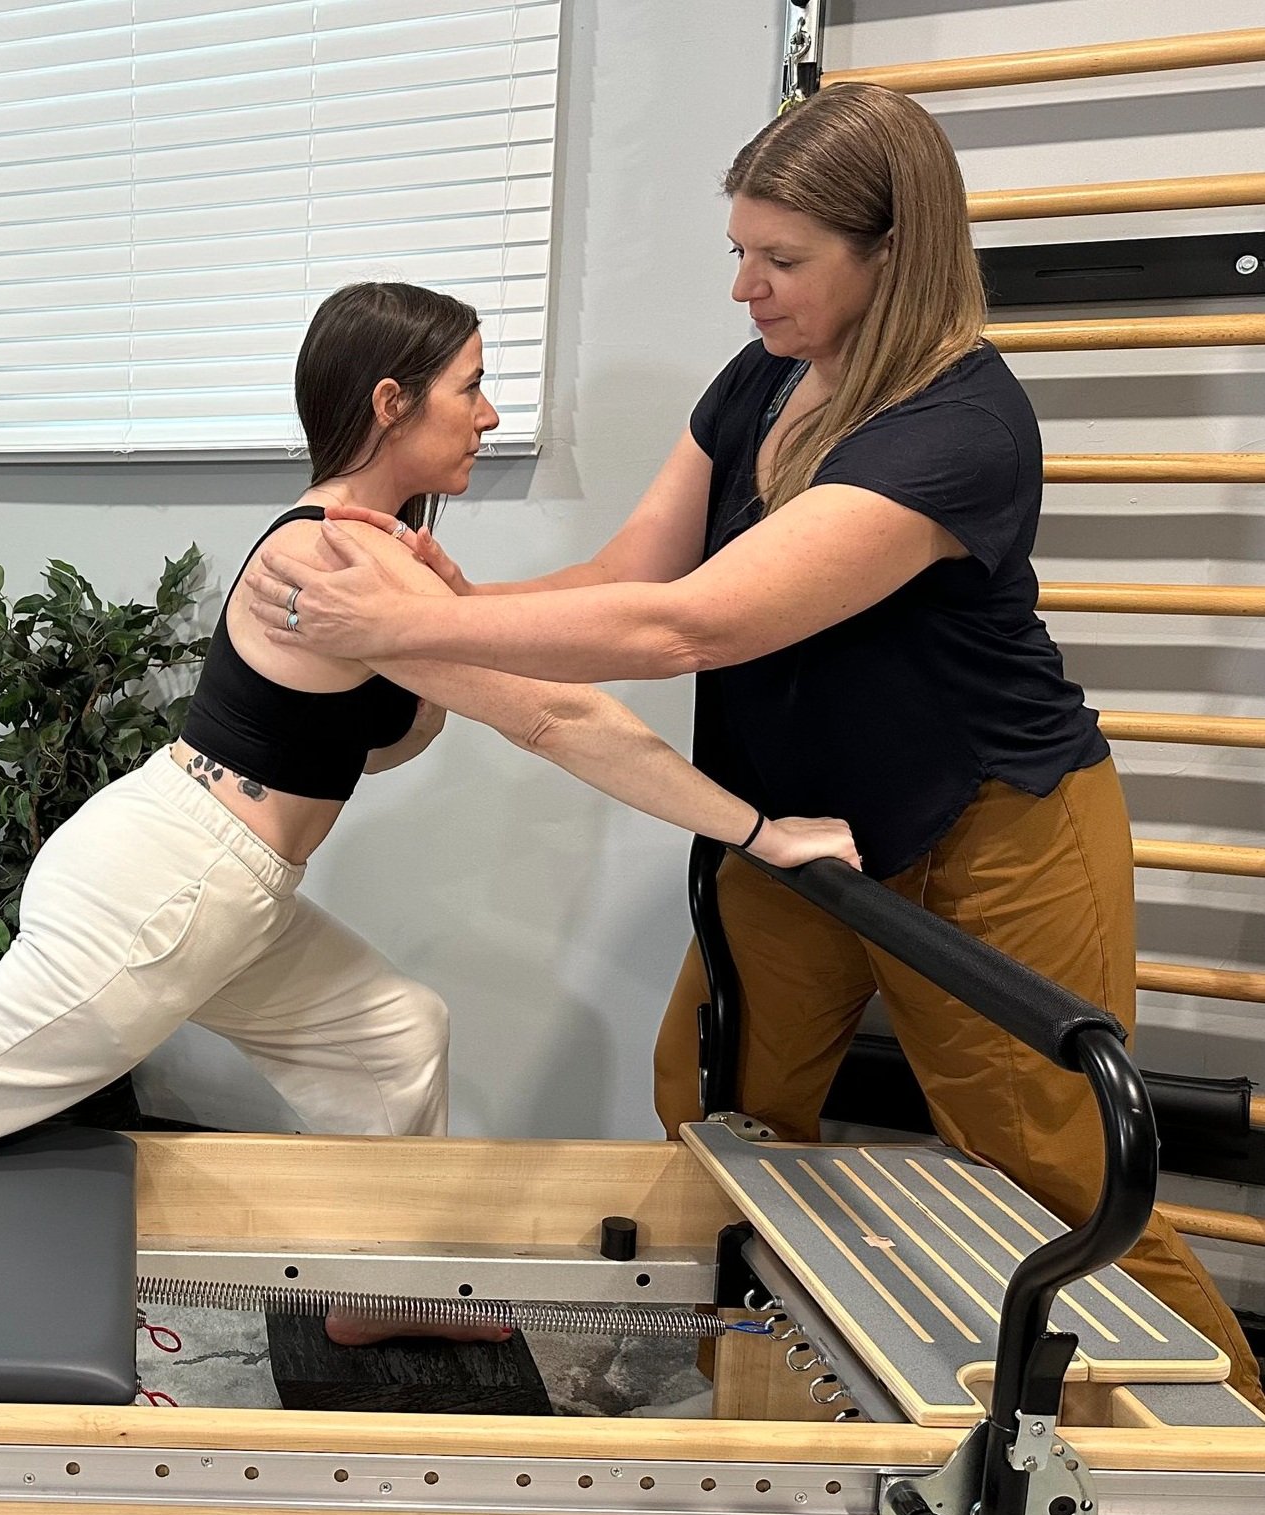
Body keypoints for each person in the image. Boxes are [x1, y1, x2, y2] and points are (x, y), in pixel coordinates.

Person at [238, 88, 1264, 1404]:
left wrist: (406, 619)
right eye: (740, 250)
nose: (743, 287)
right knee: (716, 1110)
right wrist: (450, 612)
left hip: (989, 829)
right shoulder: (763, 377)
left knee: (1055, 1174)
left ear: (890, 258)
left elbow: (687, 626)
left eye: (779, 261)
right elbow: (630, 570)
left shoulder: (960, 430)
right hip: (792, 832)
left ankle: (1228, 1459)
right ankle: (741, 1395)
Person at [0, 283, 856, 1247]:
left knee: (395, 1043)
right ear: (392, 400)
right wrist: (759, 829)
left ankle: (369, 1291)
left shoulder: (376, 555)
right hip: (174, 885)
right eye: (474, 386)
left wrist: (449, 619)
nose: (489, 414)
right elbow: (561, 716)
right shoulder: (334, 556)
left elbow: (417, 720)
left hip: (206, 872)